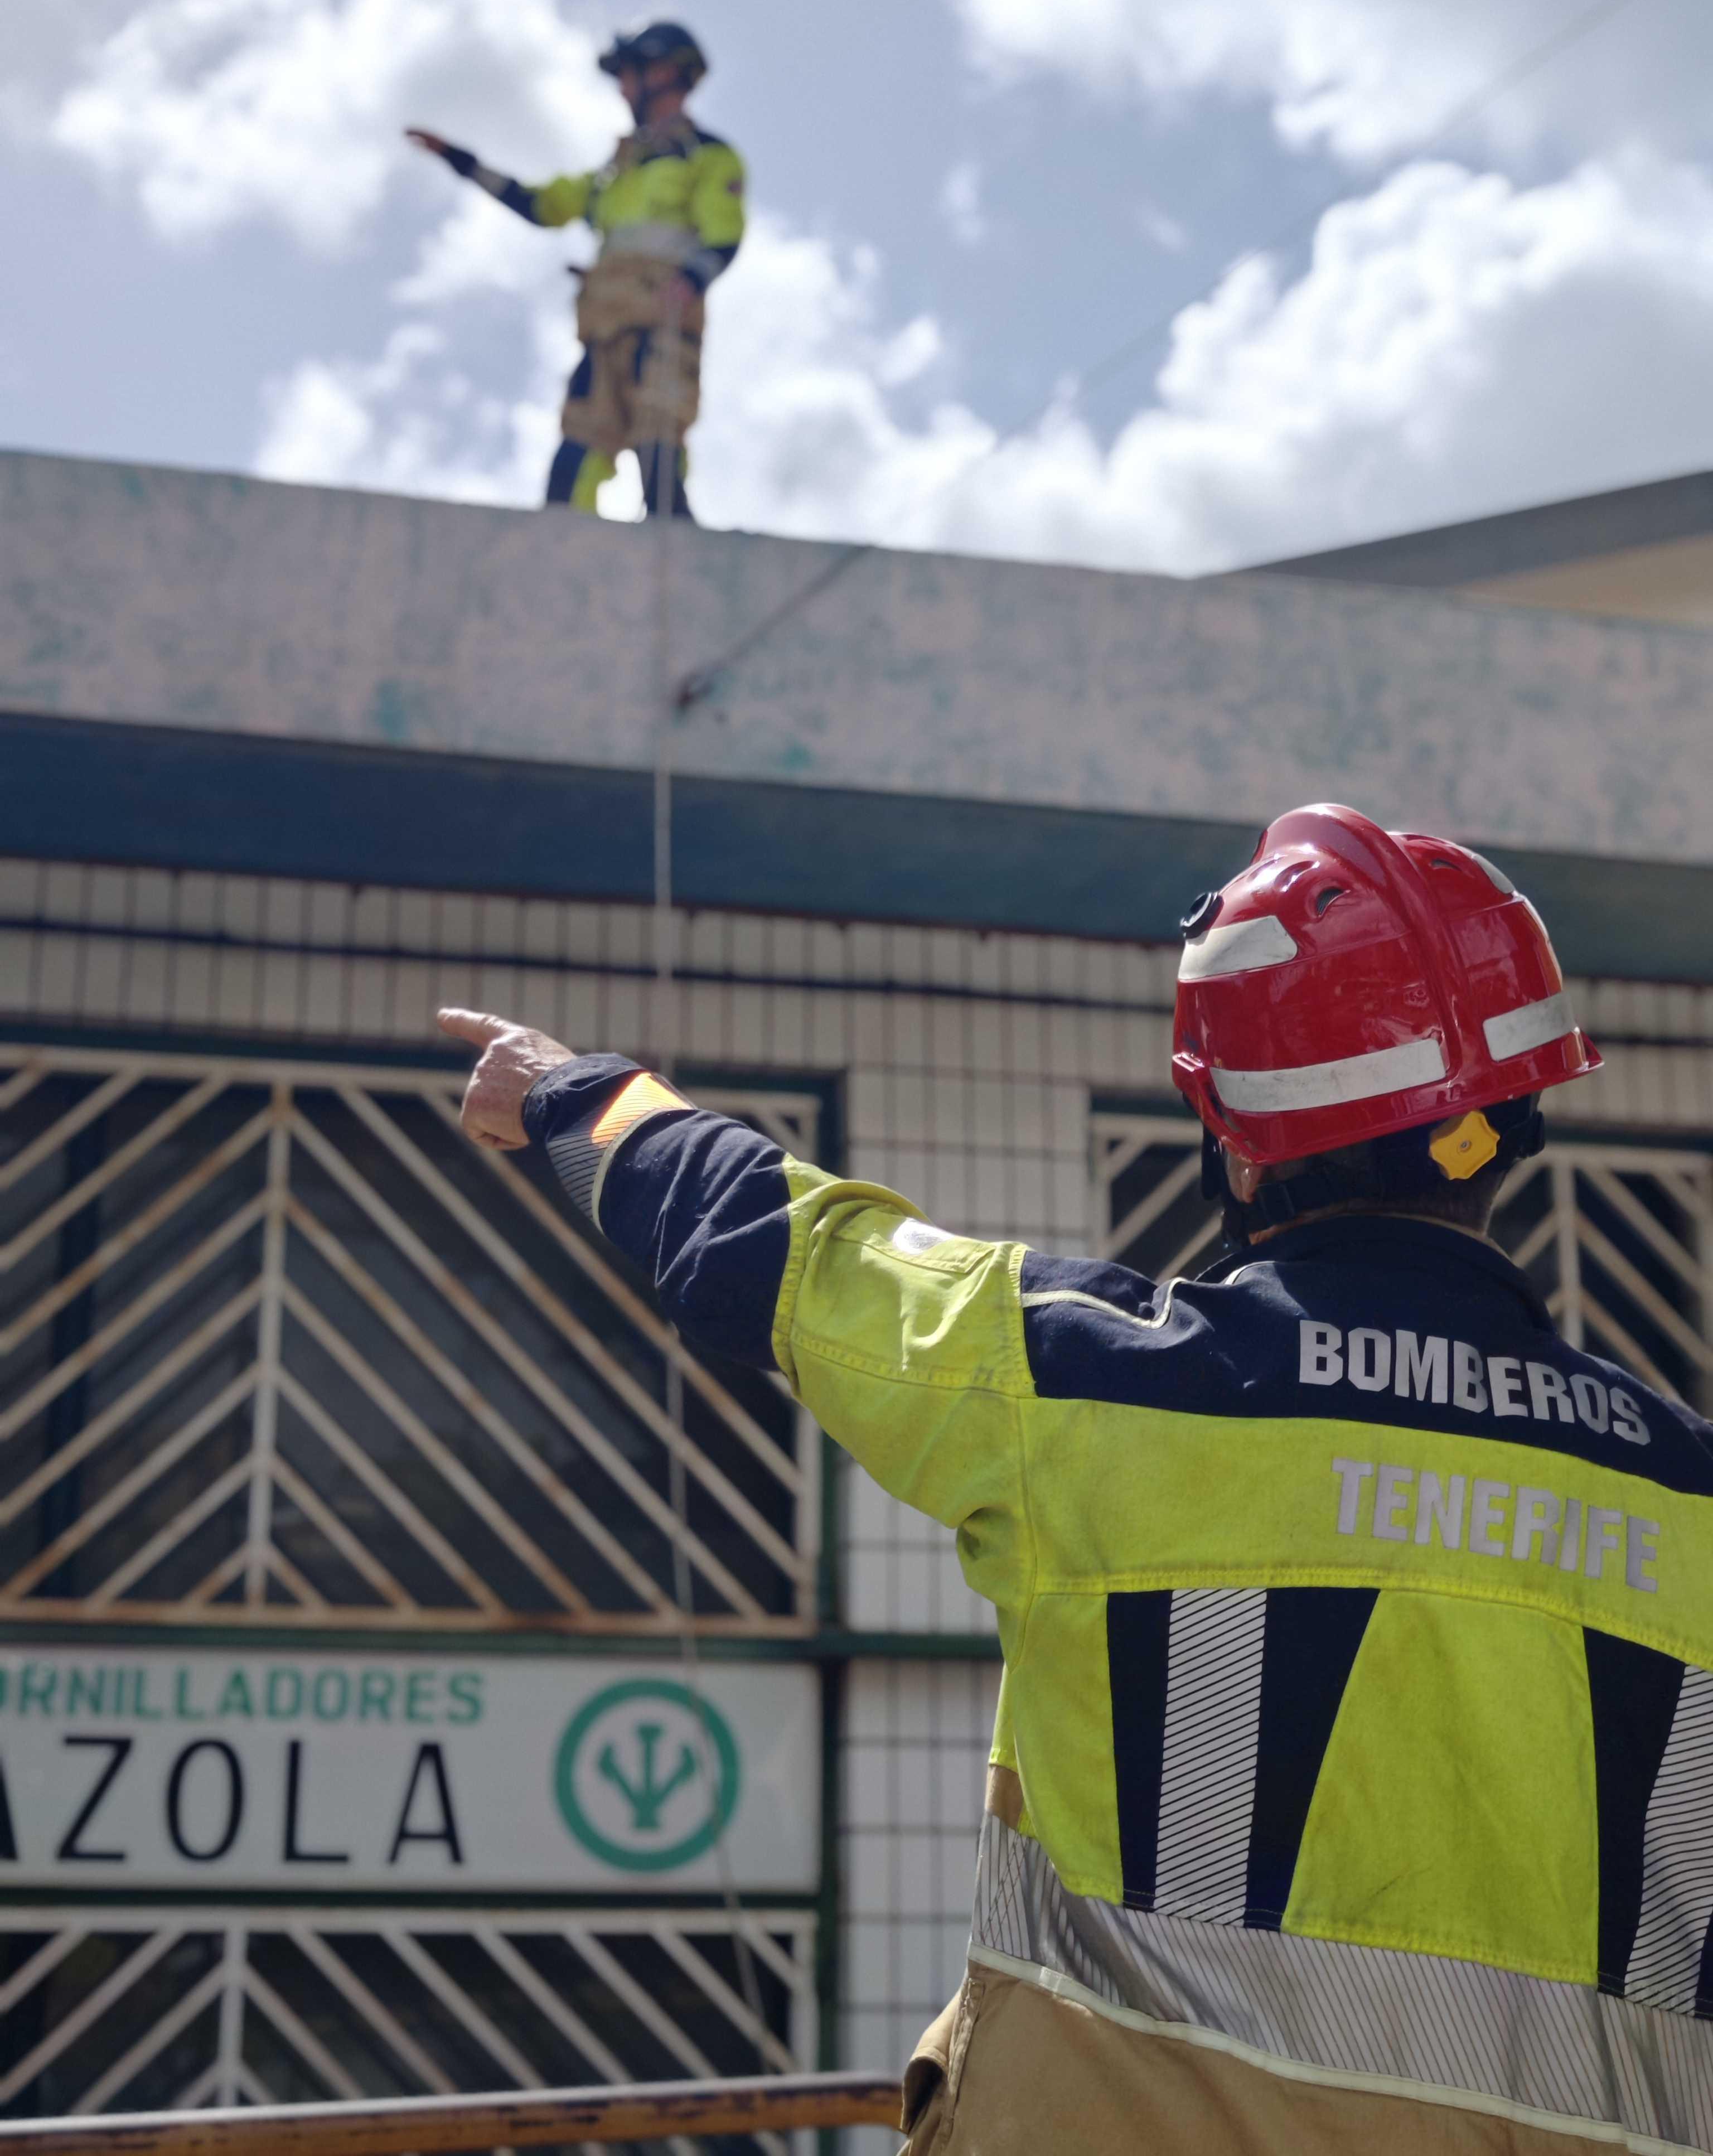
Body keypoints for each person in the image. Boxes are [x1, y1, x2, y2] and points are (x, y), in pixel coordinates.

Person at [437, 801, 1713, 2155]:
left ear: (1229, 1132)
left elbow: (779, 1254)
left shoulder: (1093, 1384)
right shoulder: (1685, 1494)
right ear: (1507, 1125)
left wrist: (579, 1097)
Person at [406, 22, 743, 520]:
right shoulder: (613, 174)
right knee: (574, 463)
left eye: (631, 74)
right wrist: (461, 161)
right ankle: (560, 568)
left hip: (662, 326)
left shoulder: (708, 158)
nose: (624, 89)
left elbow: (723, 235)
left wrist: (690, 281)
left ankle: (680, 574)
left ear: (667, 73)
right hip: (602, 330)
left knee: (659, 453)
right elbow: (540, 205)